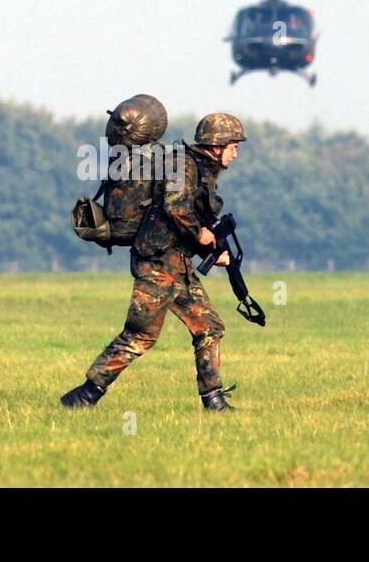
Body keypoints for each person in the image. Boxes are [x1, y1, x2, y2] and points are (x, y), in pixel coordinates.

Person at [61, 113, 248, 411]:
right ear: (216, 145)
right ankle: (85, 395)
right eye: (233, 146)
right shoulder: (184, 165)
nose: (236, 153)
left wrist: (211, 249)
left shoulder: (200, 170)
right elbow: (176, 208)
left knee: (210, 327)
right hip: (157, 264)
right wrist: (201, 235)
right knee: (141, 335)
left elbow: (187, 217)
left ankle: (214, 401)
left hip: (177, 265)